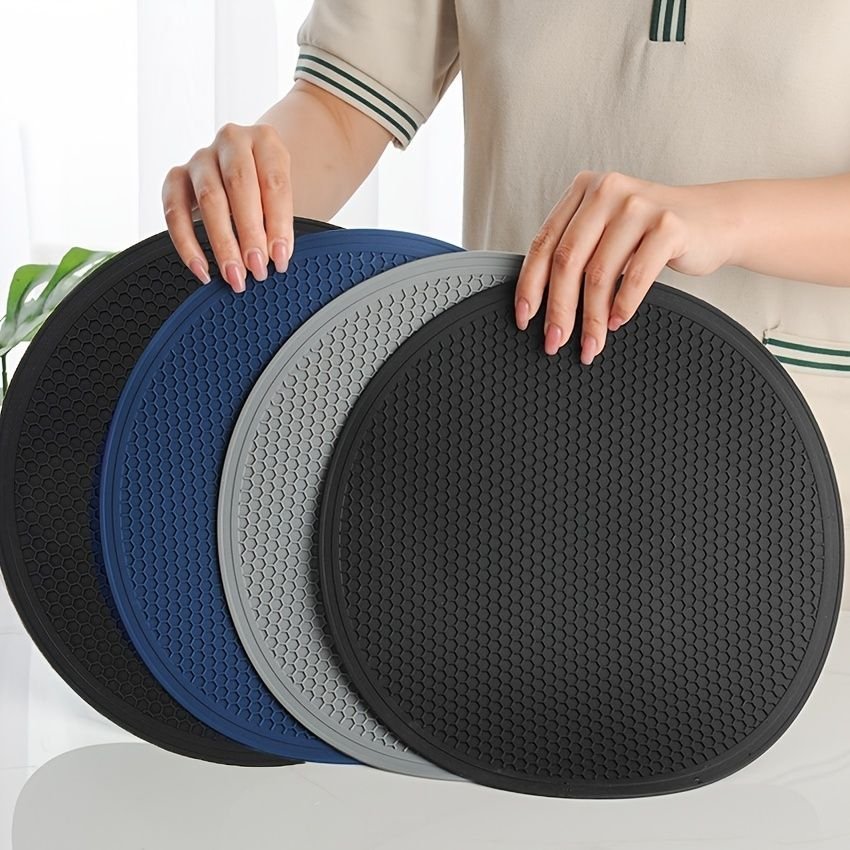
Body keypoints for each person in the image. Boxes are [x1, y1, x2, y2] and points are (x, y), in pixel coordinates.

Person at [162, 0, 850, 601]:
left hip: (789, 495)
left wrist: (724, 220)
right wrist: (251, 184)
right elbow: (342, 107)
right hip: (513, 470)